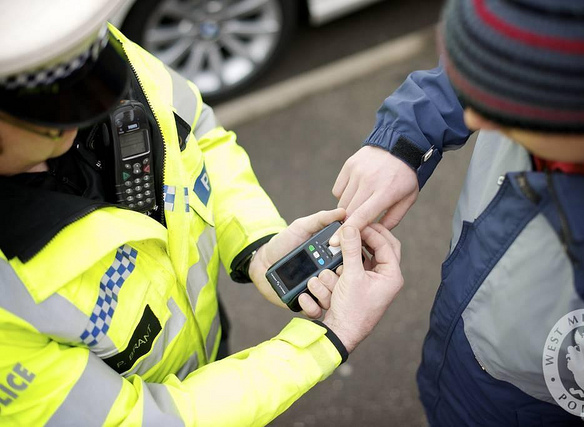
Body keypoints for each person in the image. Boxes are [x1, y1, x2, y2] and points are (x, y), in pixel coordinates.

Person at [0, 1, 404, 425]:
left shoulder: (82, 46)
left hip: (210, 358)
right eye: (52, 113)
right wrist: (326, 342)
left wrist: (257, 244)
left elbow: (199, 136)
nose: (87, 114)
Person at [332, 0, 584, 425]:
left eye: (509, 110)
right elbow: (501, 46)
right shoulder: (564, 47)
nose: (474, 115)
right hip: (466, 370)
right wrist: (406, 139)